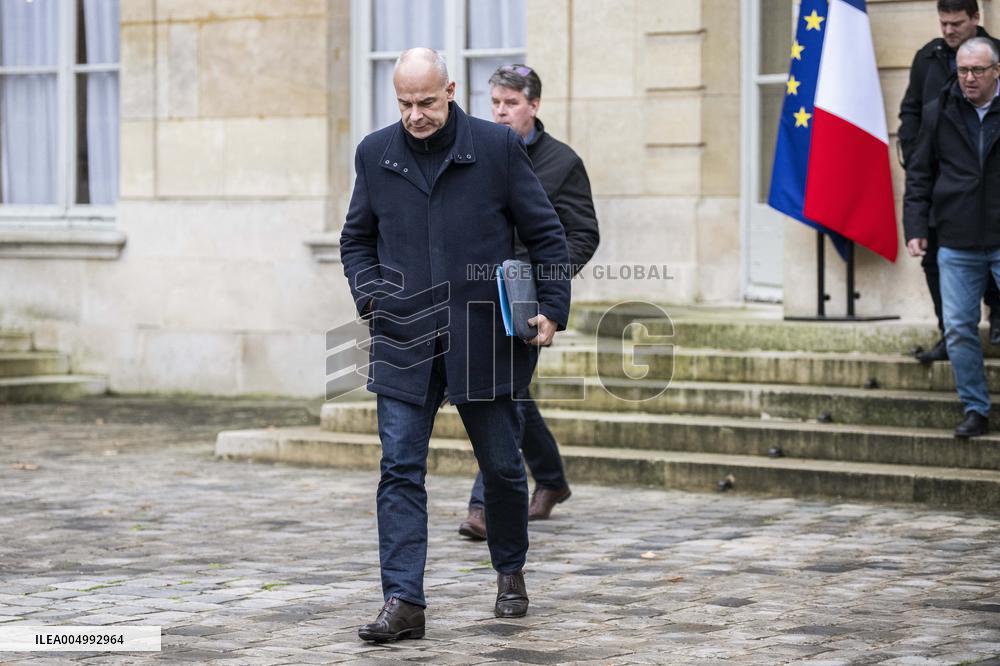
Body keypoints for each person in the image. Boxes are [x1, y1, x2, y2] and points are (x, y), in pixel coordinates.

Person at [339, 48, 571, 641]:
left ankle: (510, 571)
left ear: (450, 91)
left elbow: (547, 233)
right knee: (399, 469)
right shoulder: (374, 152)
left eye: (426, 101)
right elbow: (356, 240)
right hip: (404, 338)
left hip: (485, 335)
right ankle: (403, 602)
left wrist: (550, 307)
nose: (415, 114)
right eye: (404, 103)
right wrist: (372, 297)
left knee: (501, 467)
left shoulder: (497, 148)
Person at [458, 64, 599, 541]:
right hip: (480, 294)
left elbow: (583, 233)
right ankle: (553, 479)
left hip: (527, 300)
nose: (500, 111)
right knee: (513, 391)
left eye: (511, 103)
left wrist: (545, 282)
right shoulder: (481, 152)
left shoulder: (563, 162)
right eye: (495, 102)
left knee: (507, 396)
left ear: (533, 106)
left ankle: (484, 506)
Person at [903, 36, 1000, 438]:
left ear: (997, 71)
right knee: (958, 327)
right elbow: (920, 172)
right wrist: (915, 227)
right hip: (956, 238)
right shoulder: (939, 109)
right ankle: (975, 408)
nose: (969, 78)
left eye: (978, 70)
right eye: (963, 71)